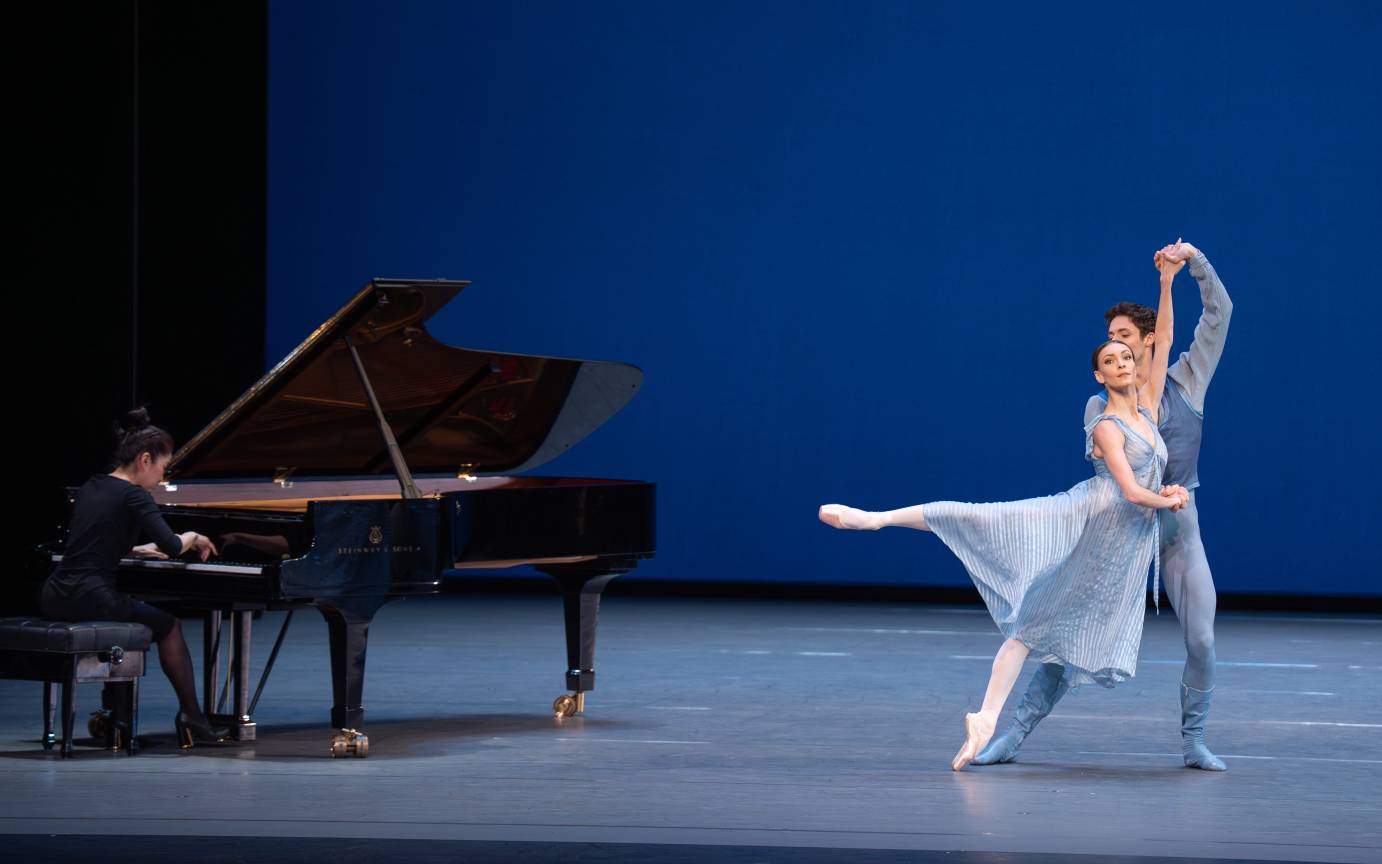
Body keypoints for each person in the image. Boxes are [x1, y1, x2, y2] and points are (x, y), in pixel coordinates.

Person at [820, 247, 1189, 771]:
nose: (1123, 361)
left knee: (1034, 626)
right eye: (1110, 359)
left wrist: (1169, 282)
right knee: (983, 521)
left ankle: (987, 720)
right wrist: (1168, 496)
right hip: (1085, 518)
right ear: (1099, 376)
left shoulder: (1149, 407)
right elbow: (1130, 491)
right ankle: (874, 519)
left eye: (1127, 354)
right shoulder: (1106, 424)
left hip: (1118, 547)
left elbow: (1166, 338)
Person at [974, 239, 1232, 771]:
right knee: (1071, 641)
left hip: (1177, 530)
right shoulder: (1102, 402)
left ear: (1146, 344)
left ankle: (1194, 740)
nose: (1113, 346)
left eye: (1122, 339)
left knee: (1203, 637)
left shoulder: (1185, 381)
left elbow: (1218, 313)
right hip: (1118, 529)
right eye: (1109, 340)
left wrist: (1190, 266)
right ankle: (1014, 735)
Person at [41, 408, 225, 747]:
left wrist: (136, 549)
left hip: (55, 594)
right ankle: (192, 715)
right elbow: (172, 546)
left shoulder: (93, 484)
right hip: (93, 597)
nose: (162, 477)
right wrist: (194, 536)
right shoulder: (135, 495)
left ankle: (119, 716)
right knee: (169, 626)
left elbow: (91, 541)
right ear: (144, 460)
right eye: (163, 468)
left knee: (143, 617)